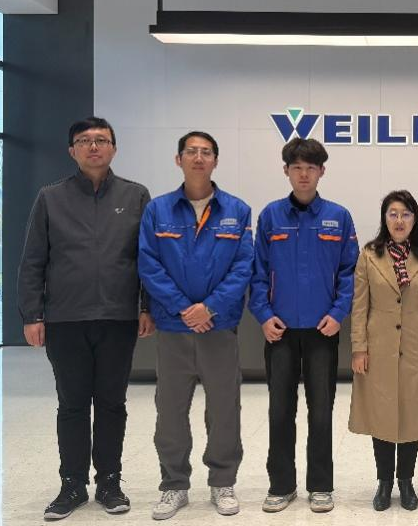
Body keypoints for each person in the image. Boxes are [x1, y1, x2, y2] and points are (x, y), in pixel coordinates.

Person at [18, 116, 155, 520]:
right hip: (66, 319)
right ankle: (72, 485)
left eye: (101, 140)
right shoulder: (50, 197)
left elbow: (149, 259)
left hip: (118, 317)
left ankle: (109, 482)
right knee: (72, 404)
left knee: (112, 403)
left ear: (114, 148)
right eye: (84, 141)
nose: (93, 146)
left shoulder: (136, 195)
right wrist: (32, 314)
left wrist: (146, 306)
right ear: (71, 150)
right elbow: (33, 260)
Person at [138, 131, 253, 519]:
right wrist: (185, 309)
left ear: (216, 161)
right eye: (191, 152)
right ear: (179, 159)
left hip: (219, 328)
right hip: (174, 329)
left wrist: (210, 309)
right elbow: (148, 265)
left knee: (224, 410)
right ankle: (174, 485)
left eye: (206, 152)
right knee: (170, 411)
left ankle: (223, 482)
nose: (199, 158)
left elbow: (243, 267)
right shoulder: (158, 210)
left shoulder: (237, 210)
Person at [249, 137, 359, 514]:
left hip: (321, 331)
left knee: (321, 410)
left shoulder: (338, 217)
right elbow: (257, 272)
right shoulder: (271, 216)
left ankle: (321, 486)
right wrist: (263, 315)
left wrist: (338, 313)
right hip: (279, 330)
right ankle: (281, 485)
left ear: (321, 171)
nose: (304, 174)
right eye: (296, 167)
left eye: (311, 168)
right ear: (286, 171)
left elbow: (349, 272)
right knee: (280, 410)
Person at [348, 190, 418, 512]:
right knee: (382, 413)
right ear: (384, 219)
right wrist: (359, 348)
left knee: (411, 414)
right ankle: (384, 481)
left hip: (416, 346)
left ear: (414, 219)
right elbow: (359, 306)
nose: (399, 220)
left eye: (405, 214)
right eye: (393, 214)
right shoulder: (369, 255)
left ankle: (406, 480)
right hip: (378, 347)